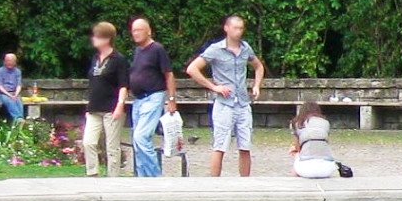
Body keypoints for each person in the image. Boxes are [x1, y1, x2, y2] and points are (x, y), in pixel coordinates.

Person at [187, 15, 265, 178]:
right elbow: (192, 69)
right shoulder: (216, 49)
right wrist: (214, 87)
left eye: (241, 28)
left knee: (245, 146)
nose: (238, 32)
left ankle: (245, 182)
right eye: (235, 28)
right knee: (220, 145)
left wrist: (256, 85)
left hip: (243, 103)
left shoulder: (246, 48)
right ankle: (215, 184)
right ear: (226, 28)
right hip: (224, 104)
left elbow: (258, 66)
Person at [122, 17, 178, 178]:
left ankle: (155, 178)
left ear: (148, 31)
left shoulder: (157, 49)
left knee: (141, 137)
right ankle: (142, 178)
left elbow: (169, 75)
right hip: (139, 100)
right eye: (133, 30)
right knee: (137, 141)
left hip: (153, 97)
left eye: (139, 30)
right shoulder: (138, 51)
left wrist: (172, 100)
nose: (135, 33)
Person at [82, 22, 127, 176]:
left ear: (107, 39)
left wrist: (120, 105)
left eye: (97, 36)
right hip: (94, 108)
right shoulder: (95, 58)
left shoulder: (118, 59)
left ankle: (112, 179)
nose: (93, 39)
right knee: (88, 142)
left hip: (111, 108)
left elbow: (123, 85)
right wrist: (88, 108)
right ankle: (92, 174)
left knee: (112, 147)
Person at [289, 103, 339, 180]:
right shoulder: (325, 123)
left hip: (305, 169)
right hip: (327, 169)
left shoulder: (298, 123)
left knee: (296, 153)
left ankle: (295, 173)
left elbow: (298, 147)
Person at [0, 53, 25, 124]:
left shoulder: (18, 71)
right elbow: (0, 87)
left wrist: (15, 94)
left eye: (11, 61)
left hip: (14, 93)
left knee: (19, 101)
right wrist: (10, 95)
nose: (9, 63)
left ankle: (19, 121)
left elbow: (19, 85)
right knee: (9, 100)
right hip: (1, 94)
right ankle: (18, 119)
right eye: (7, 61)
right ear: (4, 61)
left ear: (15, 62)